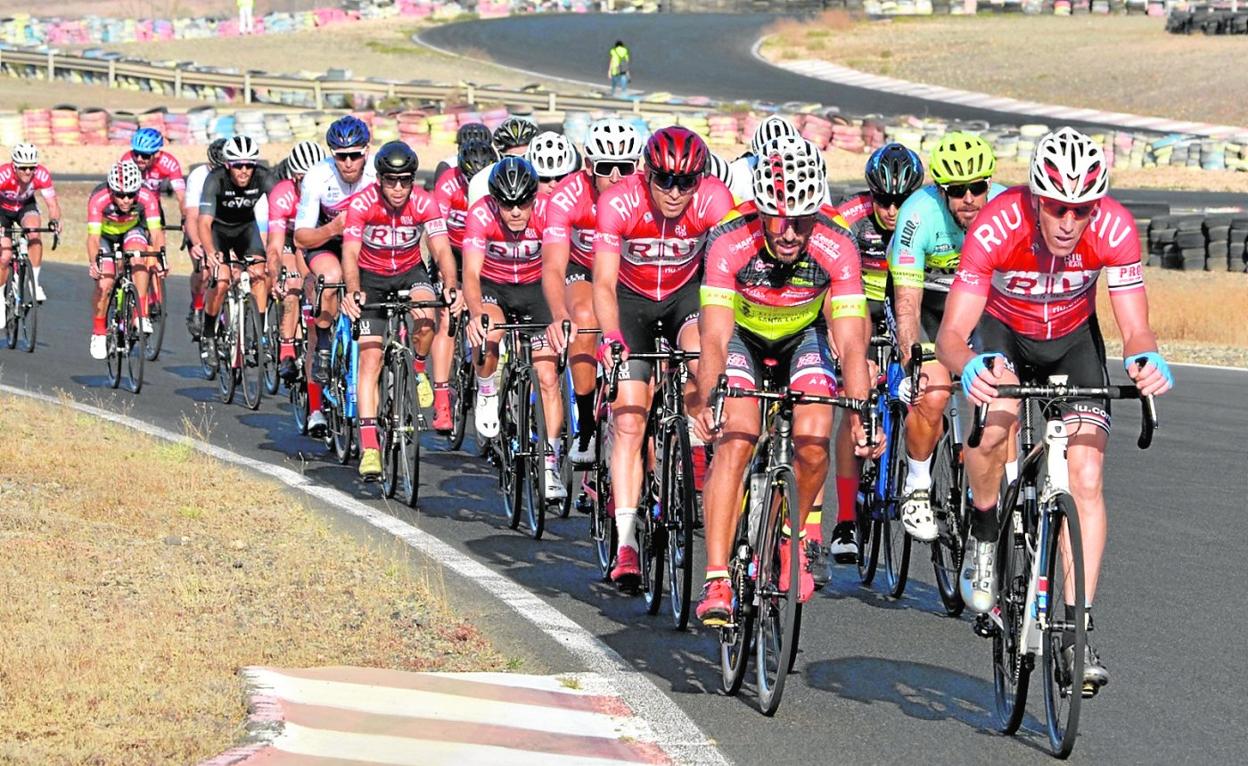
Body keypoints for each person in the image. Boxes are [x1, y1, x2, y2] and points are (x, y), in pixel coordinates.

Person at [936, 126, 1174, 692]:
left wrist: (1145, 356)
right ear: (1037, 199)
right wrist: (966, 362)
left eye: (1082, 210)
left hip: (1072, 336)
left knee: (1087, 476)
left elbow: (1134, 324)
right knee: (997, 430)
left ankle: (1077, 629)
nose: (1070, 223)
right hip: (1003, 333)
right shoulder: (997, 224)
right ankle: (987, 534)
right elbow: (951, 332)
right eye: (1059, 209)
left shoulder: (1113, 227)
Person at [693, 135, 873, 622]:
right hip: (742, 338)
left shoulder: (837, 242)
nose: (791, 232)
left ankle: (792, 534)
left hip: (803, 335)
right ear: (761, 209)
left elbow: (852, 339)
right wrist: (710, 397)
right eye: (780, 218)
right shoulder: (730, 238)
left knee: (815, 439)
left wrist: (861, 414)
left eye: (802, 220)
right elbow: (713, 335)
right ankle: (716, 580)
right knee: (737, 437)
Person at [592, 126, 735, 588]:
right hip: (630, 303)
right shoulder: (619, 202)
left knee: (703, 356)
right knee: (630, 419)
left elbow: (728, 273)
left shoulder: (714, 200)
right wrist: (612, 335)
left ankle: (694, 444)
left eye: (686, 182)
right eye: (665, 181)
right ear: (646, 173)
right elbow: (601, 283)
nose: (675, 193)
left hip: (684, 300)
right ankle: (627, 543)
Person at [888, 132, 1004, 544]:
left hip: (978, 307)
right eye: (957, 190)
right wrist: (909, 362)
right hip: (928, 309)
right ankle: (917, 484)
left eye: (978, 187)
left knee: (1001, 396)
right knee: (932, 392)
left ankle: (989, 487)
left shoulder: (1006, 212)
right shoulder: (918, 215)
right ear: (941, 190)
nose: (969, 198)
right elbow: (906, 302)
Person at [824, 142, 924, 573]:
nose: (891, 209)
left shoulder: (924, 217)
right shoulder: (850, 219)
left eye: (901, 200)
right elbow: (827, 277)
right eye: (883, 200)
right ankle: (846, 521)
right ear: (871, 195)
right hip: (856, 301)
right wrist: (838, 336)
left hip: (901, 298)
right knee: (853, 399)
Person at [340, 141, 463, 479]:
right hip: (371, 276)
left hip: (410, 271)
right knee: (369, 359)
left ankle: (419, 369)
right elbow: (349, 253)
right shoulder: (362, 203)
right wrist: (353, 291)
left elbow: (441, 248)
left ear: (413, 180)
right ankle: (369, 447)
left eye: (405, 180)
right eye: (391, 180)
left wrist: (451, 284)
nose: (397, 188)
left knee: (426, 314)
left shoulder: (424, 202)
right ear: (379, 179)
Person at [462, 157, 567, 501]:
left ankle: (550, 464)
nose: (516, 211)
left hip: (536, 287)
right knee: (489, 331)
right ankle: (487, 390)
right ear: (494, 200)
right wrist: (476, 313)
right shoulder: (480, 215)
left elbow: (555, 267)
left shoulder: (549, 211)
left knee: (548, 377)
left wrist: (559, 314)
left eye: (523, 202)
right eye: (507, 204)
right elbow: (471, 275)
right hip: (495, 287)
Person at [542, 117, 643, 466]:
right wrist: (559, 315)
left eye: (625, 168)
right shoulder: (569, 195)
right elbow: (553, 267)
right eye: (606, 167)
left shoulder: (647, 193)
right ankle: (585, 424)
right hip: (582, 271)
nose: (616, 176)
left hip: (630, 273)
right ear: (588, 166)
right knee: (584, 317)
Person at [294, 115, 375, 397]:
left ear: (367, 150)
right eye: (341, 157)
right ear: (333, 155)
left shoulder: (377, 174)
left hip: (364, 244)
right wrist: (332, 227)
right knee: (330, 278)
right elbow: (300, 237)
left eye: (355, 155)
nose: (349, 163)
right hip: (326, 241)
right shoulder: (318, 176)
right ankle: (325, 346)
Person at [429, 138, 498, 432]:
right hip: (452, 253)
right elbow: (436, 234)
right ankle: (442, 399)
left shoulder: (498, 183)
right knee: (448, 315)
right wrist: (450, 279)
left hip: (484, 253)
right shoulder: (448, 183)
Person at [197, 135, 277, 362]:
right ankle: (209, 334)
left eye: (249, 165)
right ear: (227, 165)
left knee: (259, 274)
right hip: (217, 231)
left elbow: (281, 211)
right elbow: (203, 222)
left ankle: (259, 336)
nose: (244, 171)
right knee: (221, 279)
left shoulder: (264, 177)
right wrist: (211, 252)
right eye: (238, 165)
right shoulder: (215, 179)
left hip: (245, 229)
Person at [86, 161, 165, 359]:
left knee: (140, 256)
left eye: (131, 194)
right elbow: (93, 238)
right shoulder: (99, 198)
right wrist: (94, 262)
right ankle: (98, 332)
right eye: (121, 195)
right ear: (112, 191)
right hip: (105, 236)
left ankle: (140, 313)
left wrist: (159, 257)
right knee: (105, 283)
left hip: (132, 231)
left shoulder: (147, 197)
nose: (126, 200)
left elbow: (156, 233)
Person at [267, 140, 326, 385]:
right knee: (292, 283)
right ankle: (287, 352)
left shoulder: (329, 189)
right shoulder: (283, 194)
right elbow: (275, 246)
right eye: (303, 179)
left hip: (318, 239)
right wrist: (275, 276)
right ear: (294, 178)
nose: (309, 184)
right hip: (292, 242)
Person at [0, 143, 61, 310]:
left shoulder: (41, 174)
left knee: (34, 233)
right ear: (14, 166)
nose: (28, 172)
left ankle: (34, 282)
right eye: (23, 168)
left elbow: (52, 204)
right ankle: (0, 298)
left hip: (25, 206)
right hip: (2, 210)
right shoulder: (3, 174)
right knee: (5, 256)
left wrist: (55, 221)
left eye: (31, 167)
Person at [183, 138, 228, 340]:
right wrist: (197, 244)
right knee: (204, 269)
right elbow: (192, 215)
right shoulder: (198, 176)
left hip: (223, 223)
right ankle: (198, 306)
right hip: (200, 222)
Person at [467, 117, 540, 206]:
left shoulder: (547, 177)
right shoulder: (480, 181)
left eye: (526, 157)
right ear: (498, 154)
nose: (520, 163)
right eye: (511, 157)